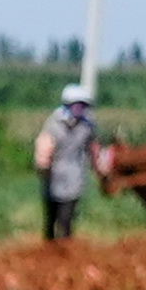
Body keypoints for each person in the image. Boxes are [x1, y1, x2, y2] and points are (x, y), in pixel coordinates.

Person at [36, 87, 94, 243]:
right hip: (53, 174)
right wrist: (43, 167)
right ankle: (49, 245)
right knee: (51, 215)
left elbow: (93, 147)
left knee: (67, 215)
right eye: (76, 105)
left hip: (74, 173)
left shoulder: (87, 126)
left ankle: (66, 247)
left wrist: (99, 165)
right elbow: (44, 148)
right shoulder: (54, 123)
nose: (79, 109)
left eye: (82, 106)